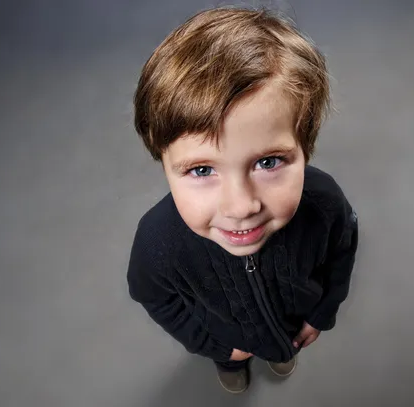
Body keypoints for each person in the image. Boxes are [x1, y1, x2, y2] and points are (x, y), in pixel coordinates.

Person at [127, 6, 358, 394]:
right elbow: (154, 297)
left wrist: (321, 315)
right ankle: (233, 365)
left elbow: (341, 255)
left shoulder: (326, 205)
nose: (241, 206)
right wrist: (216, 347)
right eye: (202, 170)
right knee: (231, 362)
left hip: (293, 325)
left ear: (305, 148)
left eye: (268, 162)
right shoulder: (157, 241)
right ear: (163, 162)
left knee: (284, 349)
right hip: (227, 340)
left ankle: (281, 352)